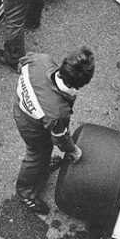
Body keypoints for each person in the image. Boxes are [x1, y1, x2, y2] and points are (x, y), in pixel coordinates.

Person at [12, 47, 95, 214]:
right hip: (31, 127)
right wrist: (74, 150)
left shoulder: (41, 60)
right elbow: (61, 138)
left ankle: (42, 169)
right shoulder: (58, 112)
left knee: (44, 150)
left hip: (22, 109)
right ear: (82, 84)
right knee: (36, 154)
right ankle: (25, 192)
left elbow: (21, 64)